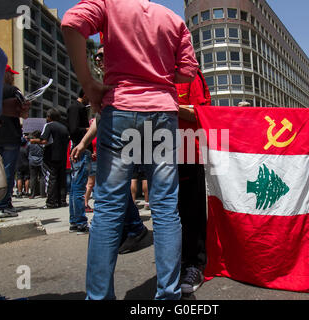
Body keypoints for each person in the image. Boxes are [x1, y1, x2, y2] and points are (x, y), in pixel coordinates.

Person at [61, 0, 198, 300]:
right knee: (165, 207)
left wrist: (89, 82)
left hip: (120, 108)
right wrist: (158, 79)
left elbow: (71, 23)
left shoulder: (109, 6)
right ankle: (169, 295)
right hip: (162, 112)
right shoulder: (173, 19)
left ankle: (98, 297)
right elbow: (188, 72)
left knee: (109, 208)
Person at [71, 116, 148, 252]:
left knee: (114, 188)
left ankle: (134, 228)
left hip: (124, 137)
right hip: (113, 140)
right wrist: (84, 142)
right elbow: (100, 114)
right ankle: (129, 227)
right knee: (113, 188)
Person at [176, 68, 211, 294]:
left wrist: (170, 105)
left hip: (188, 151)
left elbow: (202, 113)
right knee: (168, 213)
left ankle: (194, 264)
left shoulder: (189, 75)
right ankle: (175, 261)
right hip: (157, 151)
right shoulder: (151, 71)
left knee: (191, 213)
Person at [0, 65, 29, 218]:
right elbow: (24, 114)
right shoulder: (13, 90)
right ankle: (2, 206)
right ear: (5, 74)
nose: (13, 77)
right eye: (11, 74)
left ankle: (5, 202)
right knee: (8, 172)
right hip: (10, 136)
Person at [30, 108, 69, 209]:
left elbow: (44, 141)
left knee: (51, 178)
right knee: (61, 178)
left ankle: (51, 202)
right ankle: (62, 200)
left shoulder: (48, 126)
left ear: (49, 117)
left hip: (51, 156)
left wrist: (33, 140)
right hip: (63, 156)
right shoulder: (64, 127)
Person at [67, 89, 92, 234]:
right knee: (79, 188)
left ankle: (75, 221)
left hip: (78, 149)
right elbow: (74, 129)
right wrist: (90, 129)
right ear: (85, 94)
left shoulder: (76, 108)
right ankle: (80, 222)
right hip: (81, 150)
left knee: (75, 187)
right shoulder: (77, 108)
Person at [27, 130, 45, 199]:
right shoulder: (41, 143)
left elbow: (27, 151)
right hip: (41, 161)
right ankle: (42, 193)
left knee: (33, 178)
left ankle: (32, 194)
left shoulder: (30, 143)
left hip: (32, 161)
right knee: (42, 177)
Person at [84, 117, 97, 213]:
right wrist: (91, 153)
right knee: (90, 184)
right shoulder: (89, 136)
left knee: (96, 184)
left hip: (101, 161)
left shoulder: (100, 134)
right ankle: (85, 204)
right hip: (93, 161)